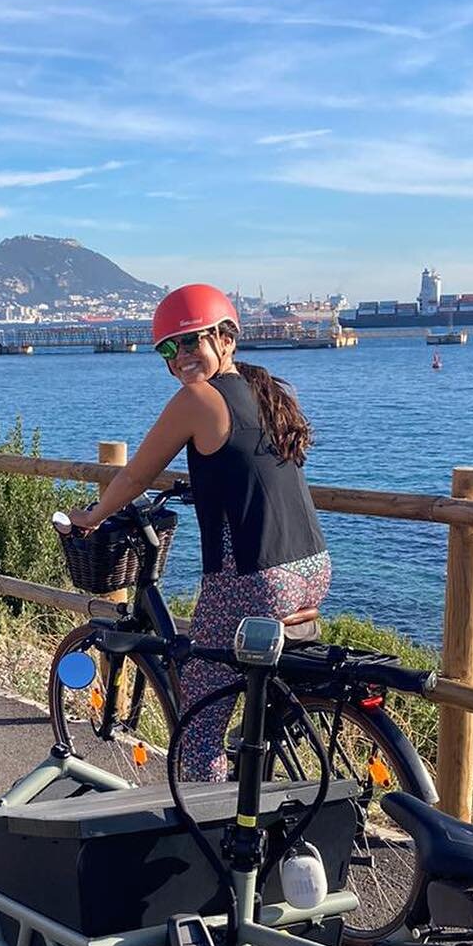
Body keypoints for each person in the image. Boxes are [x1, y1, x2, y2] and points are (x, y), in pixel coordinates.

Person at [66, 283, 330, 781]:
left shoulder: (196, 399)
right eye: (169, 348)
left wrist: (94, 515)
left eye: (192, 341)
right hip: (312, 564)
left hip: (252, 579)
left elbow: (136, 475)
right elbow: (248, 464)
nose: (180, 356)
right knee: (243, 681)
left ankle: (211, 834)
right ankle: (259, 773)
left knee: (200, 721)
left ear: (226, 339)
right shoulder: (266, 388)